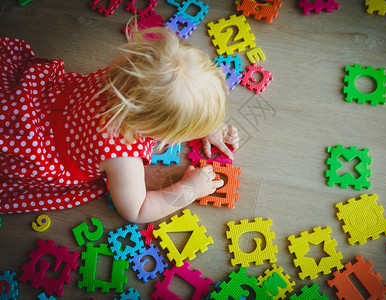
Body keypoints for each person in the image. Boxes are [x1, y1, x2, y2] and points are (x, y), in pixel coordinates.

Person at [0, 24, 239, 222]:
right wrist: (190, 190)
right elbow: (137, 210)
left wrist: (210, 125)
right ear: (157, 131)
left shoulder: (129, 77)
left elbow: (174, 97)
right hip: (31, 146)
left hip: (27, 100)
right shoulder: (121, 157)